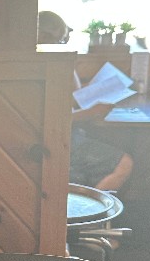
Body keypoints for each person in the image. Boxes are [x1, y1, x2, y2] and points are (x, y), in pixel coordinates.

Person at [37, 10, 133, 191]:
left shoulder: (48, 61)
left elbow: (70, 97)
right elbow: (46, 120)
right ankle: (88, 206)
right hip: (54, 139)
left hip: (65, 134)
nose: (62, 46)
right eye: (60, 41)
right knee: (124, 164)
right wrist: (91, 112)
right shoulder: (41, 64)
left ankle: (82, 198)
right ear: (42, 36)